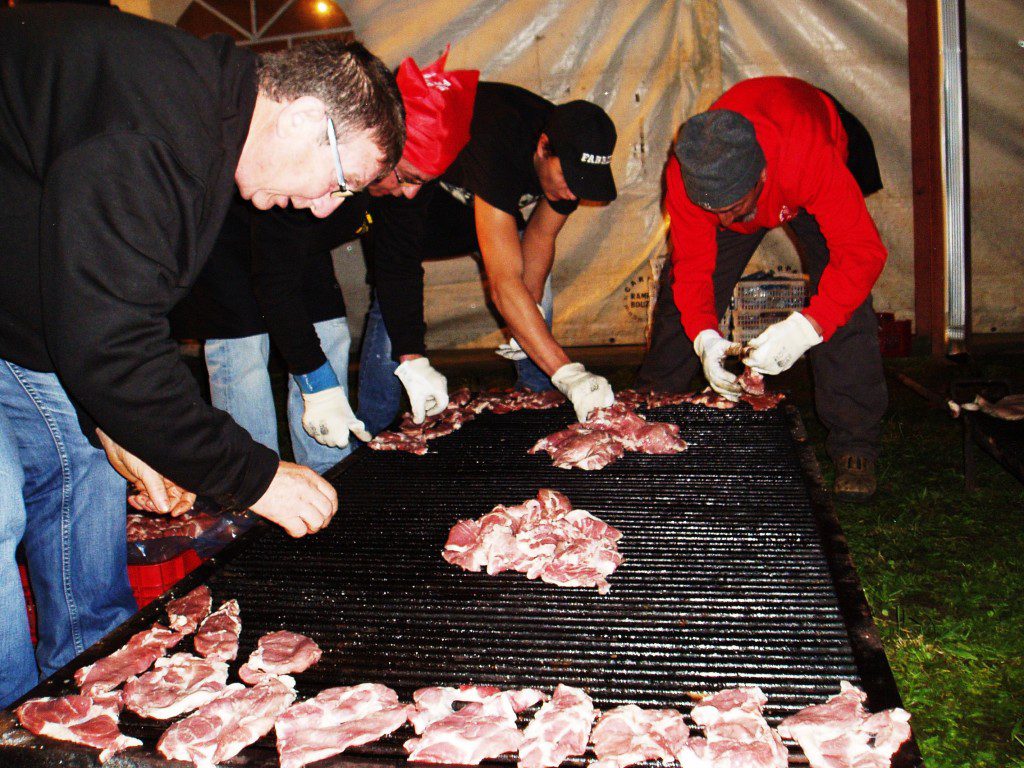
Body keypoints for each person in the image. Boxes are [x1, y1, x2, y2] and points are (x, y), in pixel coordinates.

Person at [0, 4, 403, 706]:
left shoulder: (207, 116)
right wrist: (253, 476)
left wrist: (111, 417)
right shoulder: (160, 125)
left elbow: (87, 280)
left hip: (16, 300)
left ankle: (82, 687)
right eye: (339, 182)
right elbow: (113, 343)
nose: (321, 209)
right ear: (306, 118)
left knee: (81, 472)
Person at [179, 49, 478, 468]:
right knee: (244, 350)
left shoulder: (398, 187)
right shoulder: (309, 176)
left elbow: (400, 268)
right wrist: (316, 383)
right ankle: (250, 483)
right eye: (407, 177)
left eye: (423, 184)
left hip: (302, 245)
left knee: (330, 330)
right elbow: (275, 283)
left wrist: (413, 356)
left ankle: (327, 472)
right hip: (232, 239)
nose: (410, 192)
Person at [635, 76, 888, 500]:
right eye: (711, 211)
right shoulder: (688, 175)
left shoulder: (808, 156)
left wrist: (809, 326)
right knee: (677, 301)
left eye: (732, 209)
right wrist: (703, 336)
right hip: (746, 184)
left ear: (763, 174)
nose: (724, 223)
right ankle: (650, 409)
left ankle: (855, 444)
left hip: (810, 158)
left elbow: (863, 253)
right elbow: (694, 268)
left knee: (844, 296)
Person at [360, 81, 620, 430]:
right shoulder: (502, 139)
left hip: (479, 206)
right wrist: (569, 371)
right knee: (393, 297)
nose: (573, 192)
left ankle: (535, 401)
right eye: (569, 179)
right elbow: (502, 283)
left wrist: (526, 319)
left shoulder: (571, 158)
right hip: (417, 199)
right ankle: (374, 428)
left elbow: (540, 237)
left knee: (532, 300)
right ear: (543, 148)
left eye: (583, 184)